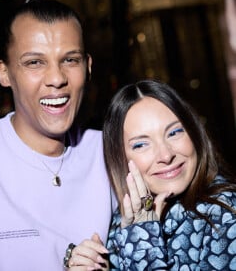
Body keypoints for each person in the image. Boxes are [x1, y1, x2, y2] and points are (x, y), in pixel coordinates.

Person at [0, 0, 116, 271]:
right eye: (34, 62)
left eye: (70, 60)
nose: (56, 79)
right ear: (4, 73)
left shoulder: (112, 154)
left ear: (88, 67)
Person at [66, 79, 236, 270]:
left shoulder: (225, 213)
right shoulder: (119, 223)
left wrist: (143, 239)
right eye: (141, 144)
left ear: (193, 132)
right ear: (120, 158)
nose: (166, 155)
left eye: (174, 132)